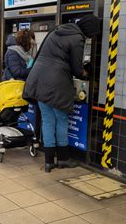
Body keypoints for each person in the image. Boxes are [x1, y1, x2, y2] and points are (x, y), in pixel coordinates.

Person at [23, 16, 100, 173]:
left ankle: (49, 161)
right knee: (62, 121)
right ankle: (63, 159)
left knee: (48, 121)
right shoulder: (78, 38)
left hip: (39, 81)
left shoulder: (56, 31)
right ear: (89, 31)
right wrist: (88, 70)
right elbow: (77, 70)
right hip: (57, 84)